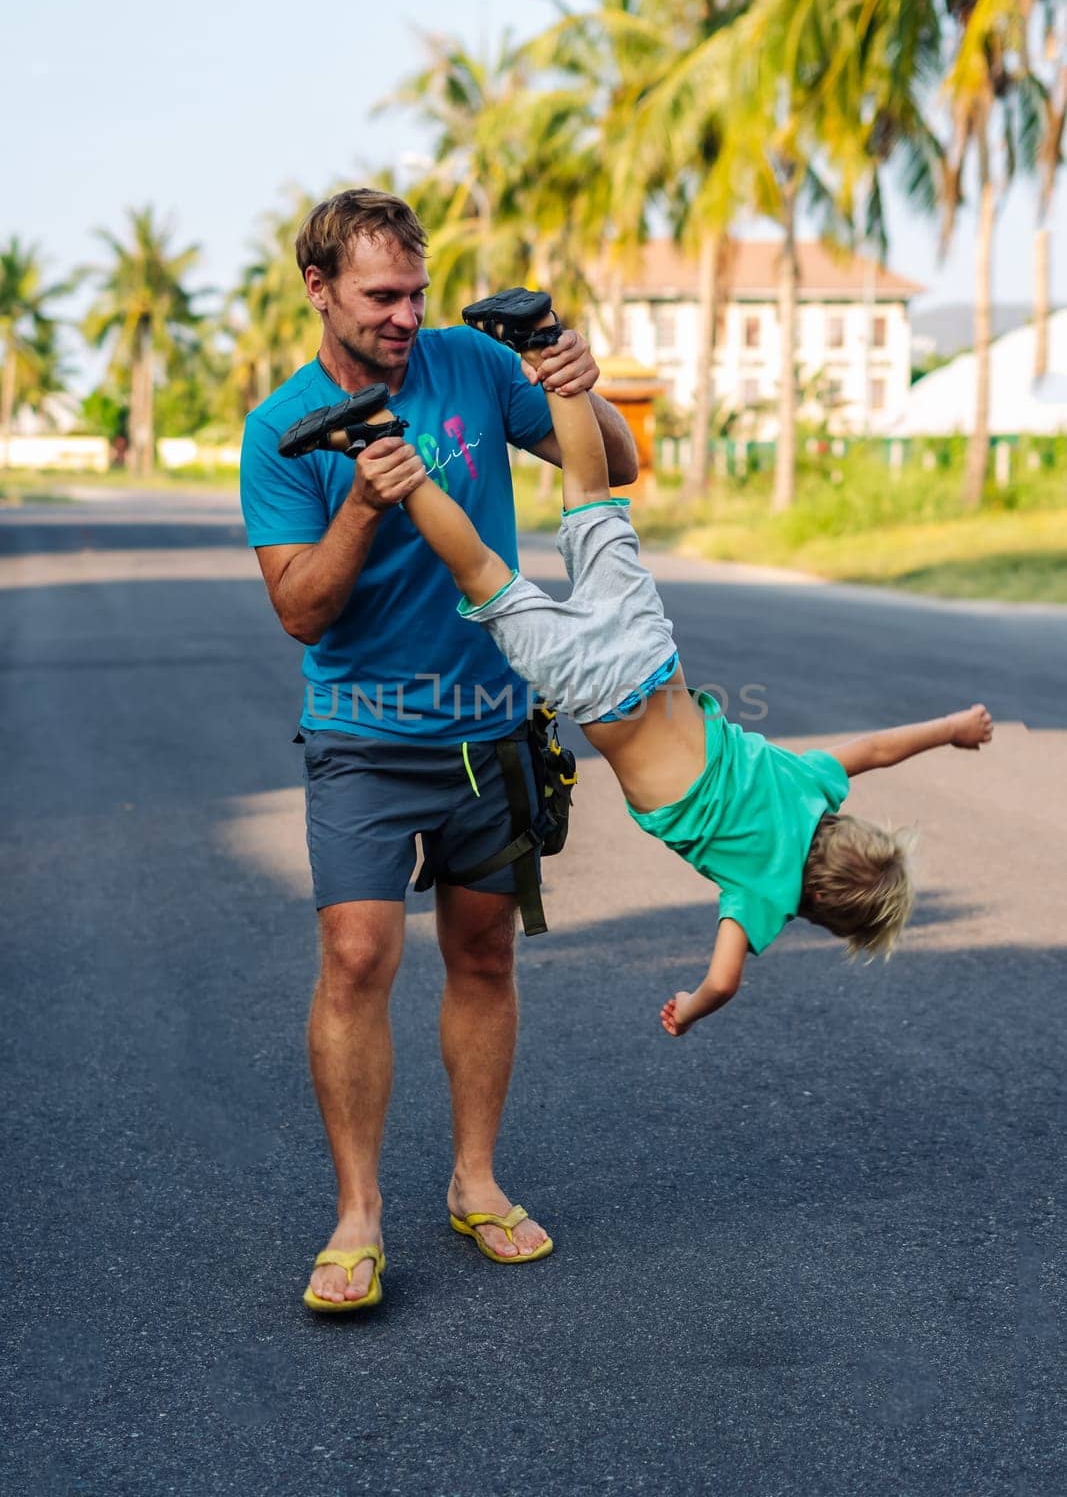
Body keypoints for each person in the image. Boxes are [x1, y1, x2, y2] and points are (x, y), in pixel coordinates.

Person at [367, 288, 995, 1043]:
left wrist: (954, 728)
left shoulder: (811, 787)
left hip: (648, 650)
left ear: (846, 827)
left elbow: (879, 747)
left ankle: (538, 342)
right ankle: (378, 445)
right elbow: (724, 976)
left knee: (589, 496)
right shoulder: (763, 890)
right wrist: (691, 1004)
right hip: (596, 692)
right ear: (816, 909)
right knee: (484, 577)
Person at [239, 194, 637, 1311]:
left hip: (493, 725)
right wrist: (364, 504)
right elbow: (299, 613)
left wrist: (575, 386)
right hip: (363, 732)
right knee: (359, 956)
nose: (406, 314)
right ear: (319, 290)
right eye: (381, 297)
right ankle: (358, 1214)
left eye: (416, 291)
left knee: (485, 953)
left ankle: (475, 1180)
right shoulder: (281, 428)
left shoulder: (469, 363)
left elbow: (615, 466)